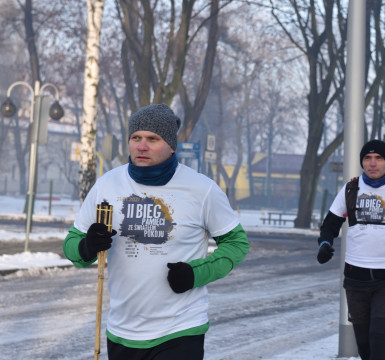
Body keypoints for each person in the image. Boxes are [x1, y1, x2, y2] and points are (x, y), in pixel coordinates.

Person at [63, 104, 250, 359]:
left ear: (172, 145)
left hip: (181, 329)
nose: (142, 146)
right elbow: (72, 244)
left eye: (153, 139)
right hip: (122, 330)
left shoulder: (201, 189)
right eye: (136, 138)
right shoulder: (108, 185)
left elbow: (236, 243)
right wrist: (87, 247)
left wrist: (196, 273)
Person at [315, 139, 385, 360]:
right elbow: (330, 224)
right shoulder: (351, 189)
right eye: (367, 158)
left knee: (378, 335)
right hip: (356, 276)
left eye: (378, 158)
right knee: (364, 345)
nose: (372, 163)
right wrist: (325, 244)